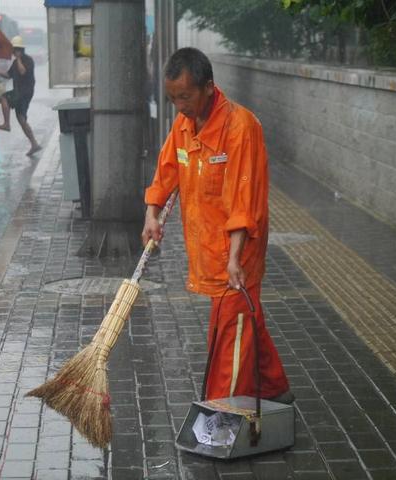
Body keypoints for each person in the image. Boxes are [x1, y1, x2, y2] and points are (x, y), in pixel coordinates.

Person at [142, 48, 293, 404]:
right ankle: (275, 388)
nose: (179, 106)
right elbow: (167, 171)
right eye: (173, 98)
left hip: (237, 254)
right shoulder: (183, 124)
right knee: (244, 319)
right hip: (207, 252)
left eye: (185, 96)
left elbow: (245, 202)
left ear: (209, 87)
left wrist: (235, 259)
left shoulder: (241, 128)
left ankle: (219, 412)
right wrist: (152, 213)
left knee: (228, 336)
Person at [0, 35, 42, 156]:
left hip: (24, 93)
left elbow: (22, 71)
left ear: (20, 50)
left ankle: (7, 124)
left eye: (16, 50)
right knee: (21, 119)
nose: (14, 52)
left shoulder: (28, 60)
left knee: (4, 97)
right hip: (19, 92)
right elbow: (9, 75)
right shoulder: (15, 62)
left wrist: (19, 59)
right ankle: (34, 144)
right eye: (13, 50)